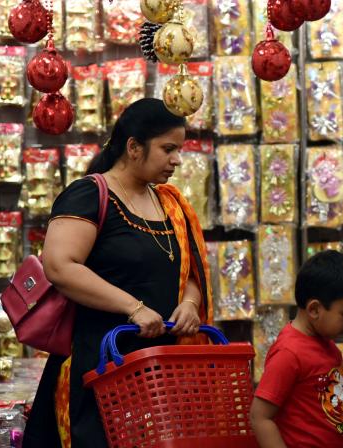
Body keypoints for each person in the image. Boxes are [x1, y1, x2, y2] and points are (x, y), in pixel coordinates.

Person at [23, 98, 213, 448]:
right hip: (99, 366)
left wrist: (189, 302)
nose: (177, 159)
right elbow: (60, 266)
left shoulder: (168, 201)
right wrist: (133, 308)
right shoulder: (90, 194)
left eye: (179, 149)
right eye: (167, 148)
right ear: (134, 147)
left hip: (158, 372)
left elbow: (187, 270)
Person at [250, 250, 343, 448]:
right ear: (315, 309)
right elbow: (260, 417)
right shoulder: (289, 353)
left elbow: (319, 400)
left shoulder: (326, 343)